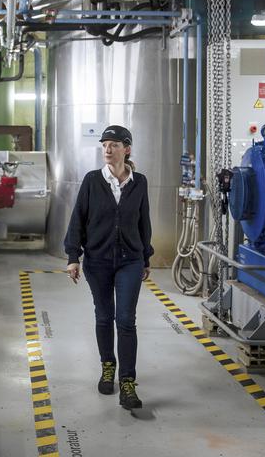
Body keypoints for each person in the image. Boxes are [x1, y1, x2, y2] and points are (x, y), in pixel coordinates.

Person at [64, 125, 154, 410]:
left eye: (113, 144)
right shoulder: (92, 180)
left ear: (126, 149)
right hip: (98, 260)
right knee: (104, 317)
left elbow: (144, 223)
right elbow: (78, 219)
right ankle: (107, 367)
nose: (107, 149)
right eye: (104, 145)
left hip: (130, 260)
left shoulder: (139, 182)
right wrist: (72, 256)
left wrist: (147, 257)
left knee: (126, 320)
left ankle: (128, 382)